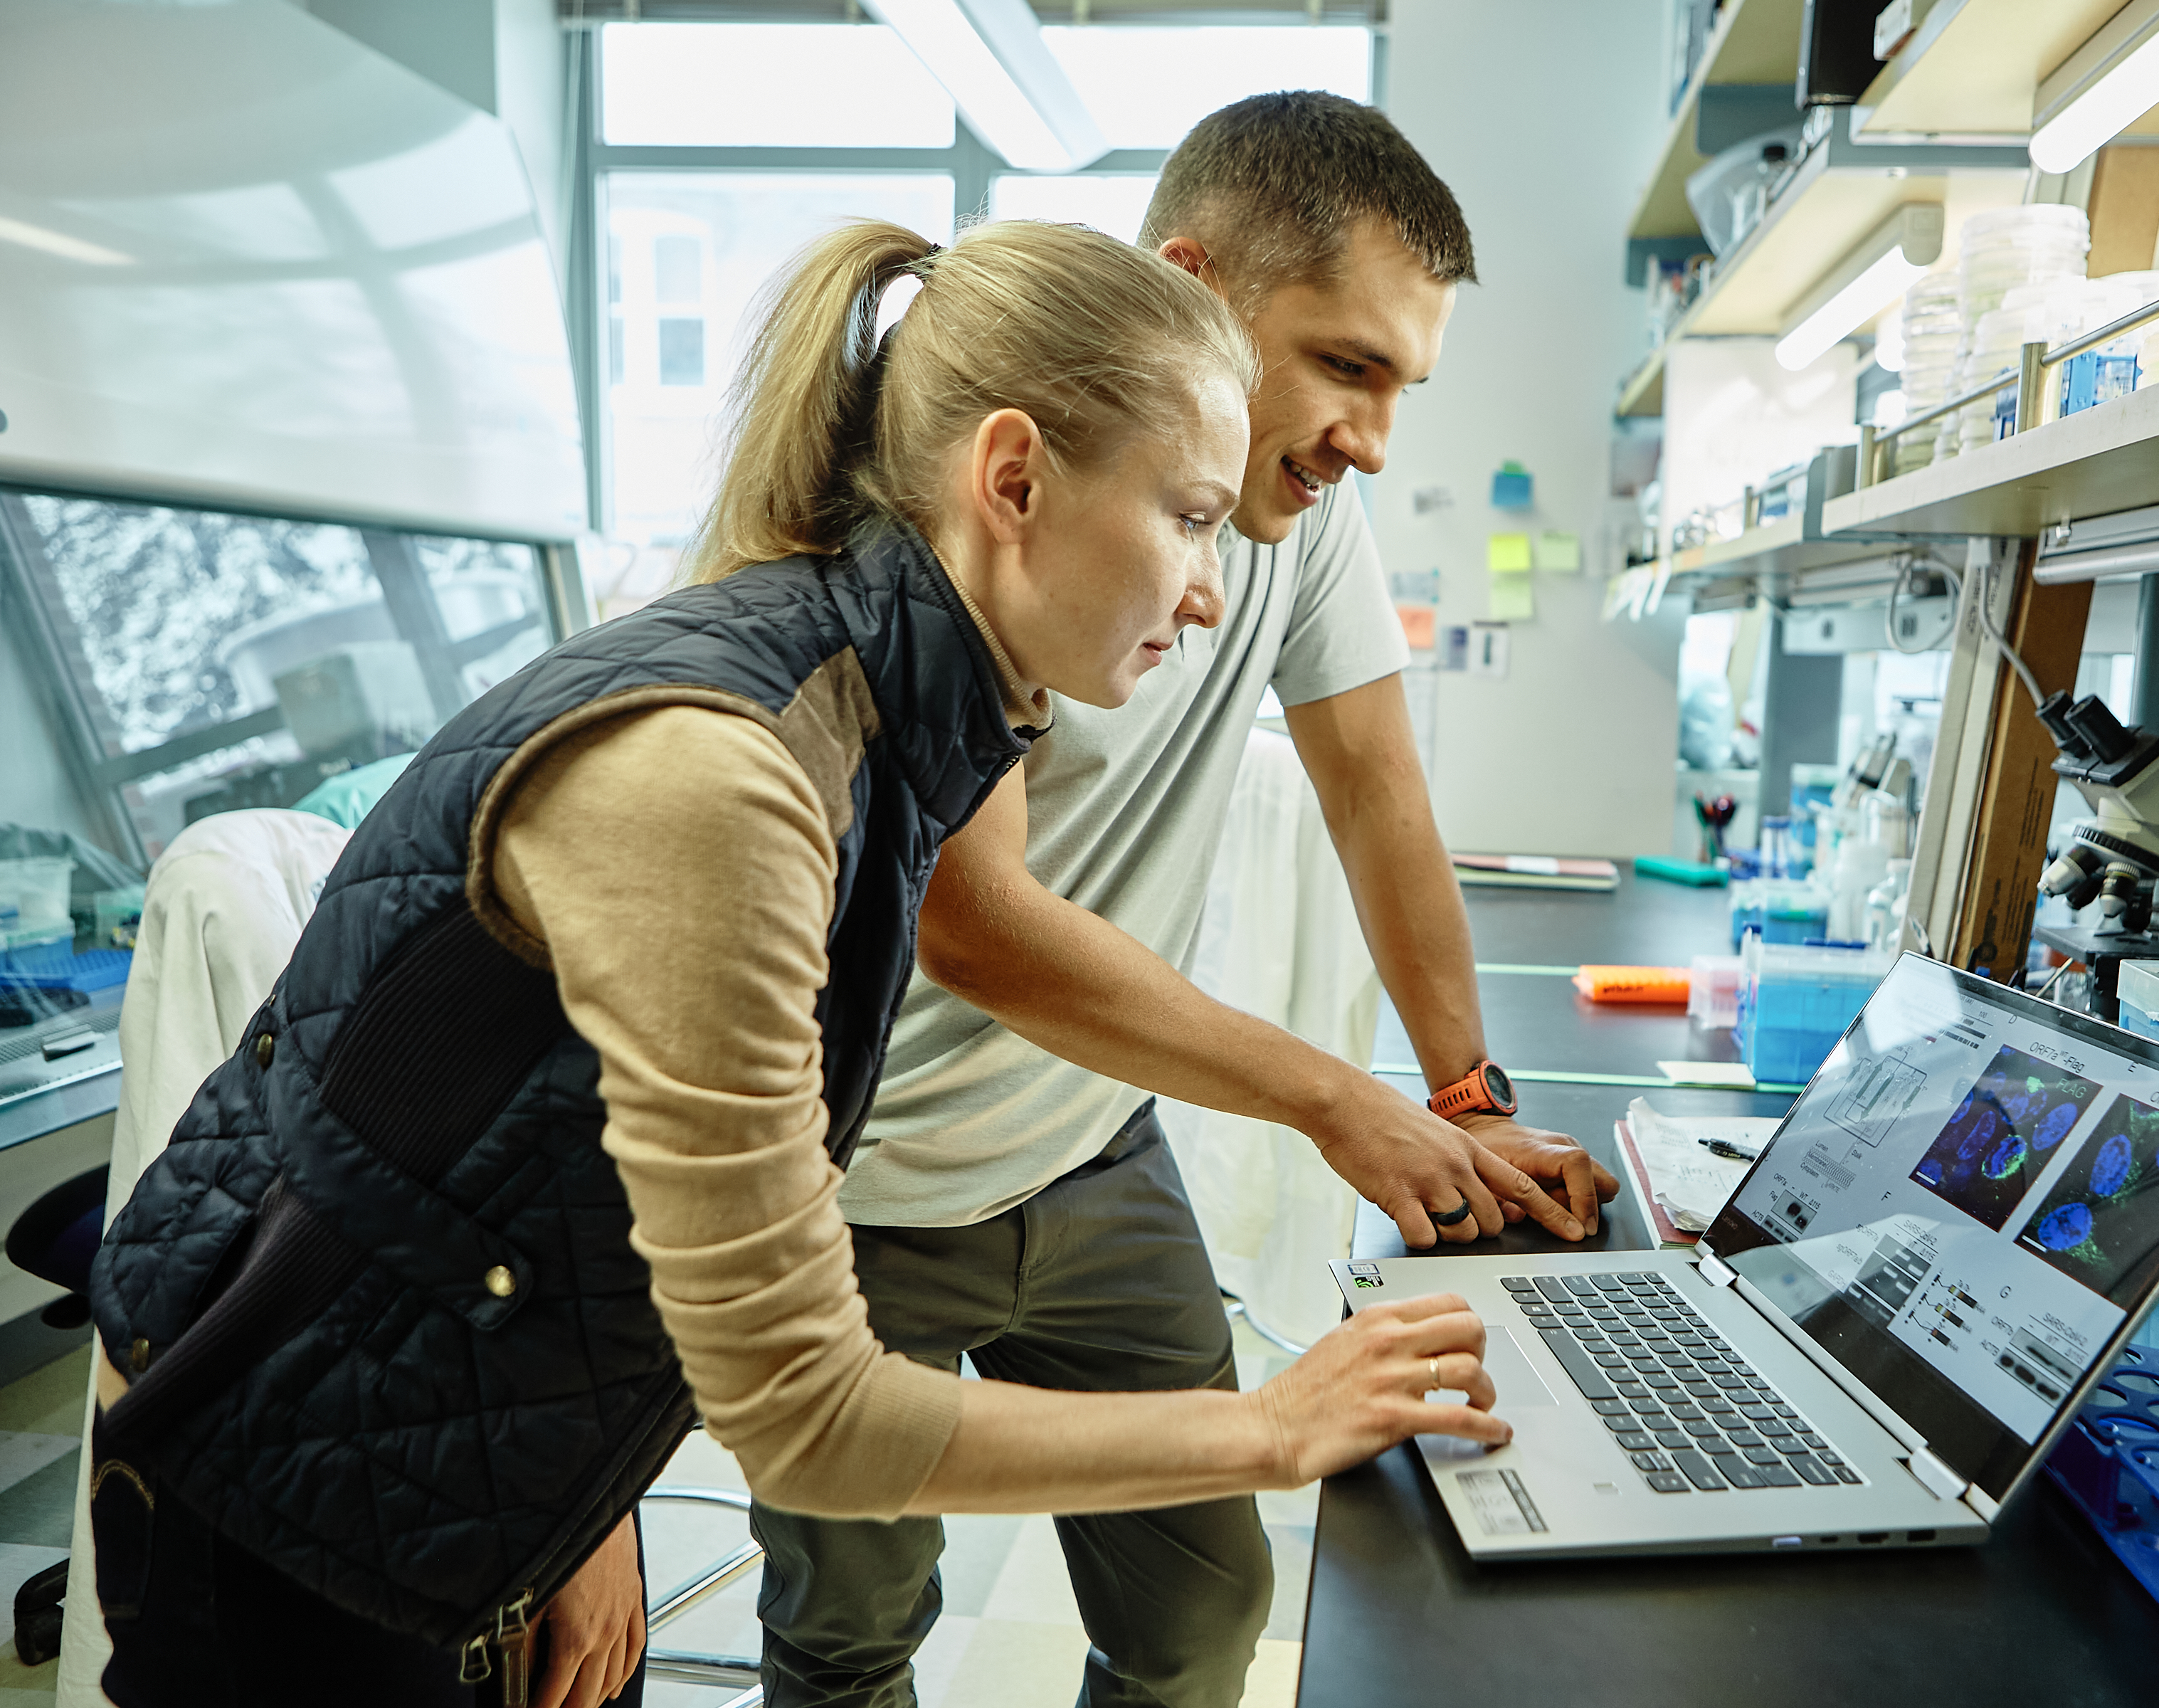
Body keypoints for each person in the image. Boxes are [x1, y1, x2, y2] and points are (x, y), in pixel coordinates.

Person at [83, 217, 1506, 1708]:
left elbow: (590, 1169)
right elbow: (807, 1415)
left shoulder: (884, 724)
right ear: (1012, 480)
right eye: (1191, 519)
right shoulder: (735, 777)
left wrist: (579, 1509)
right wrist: (1274, 1431)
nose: (1211, 590)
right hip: (289, 1495)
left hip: (478, 1448)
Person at [752, 93, 1621, 1708]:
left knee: (1204, 1612)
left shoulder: (1309, 511)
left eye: (1401, 386)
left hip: (1089, 1151)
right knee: (854, 1632)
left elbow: (1377, 787)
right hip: (863, 1182)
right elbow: (975, 916)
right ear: (1193, 285)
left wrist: (1461, 1099)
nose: (1370, 436)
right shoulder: (996, 504)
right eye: (1345, 365)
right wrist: (1331, 1103)